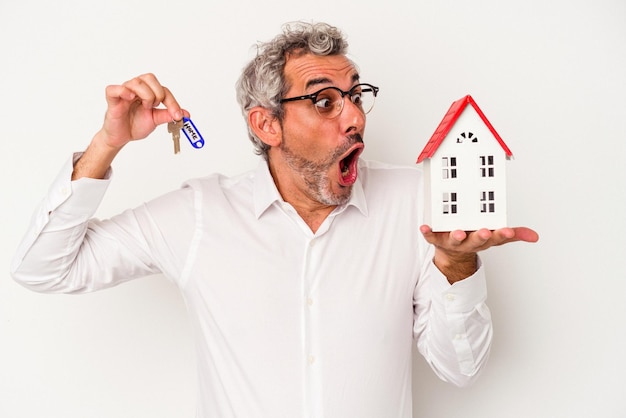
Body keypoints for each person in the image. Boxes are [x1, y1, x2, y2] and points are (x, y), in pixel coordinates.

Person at [11, 21, 538, 418]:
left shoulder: (419, 202)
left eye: (356, 96)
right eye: (324, 101)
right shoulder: (200, 216)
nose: (354, 116)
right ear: (267, 124)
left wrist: (456, 261)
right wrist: (109, 143)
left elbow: (462, 369)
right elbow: (43, 268)